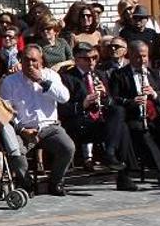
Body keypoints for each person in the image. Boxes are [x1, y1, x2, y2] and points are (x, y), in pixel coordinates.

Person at [58, 44, 138, 190]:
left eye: (95, 58)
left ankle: (111, 155)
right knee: (122, 128)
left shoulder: (100, 75)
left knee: (119, 115)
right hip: (79, 123)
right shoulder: (67, 78)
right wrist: (83, 104)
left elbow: (111, 103)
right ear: (76, 59)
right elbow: (62, 109)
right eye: (87, 59)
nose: (92, 62)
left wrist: (105, 96)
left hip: (98, 122)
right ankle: (121, 170)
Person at [107, 41, 160, 187]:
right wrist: (131, 101)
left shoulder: (152, 73)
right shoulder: (119, 75)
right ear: (129, 55)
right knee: (143, 135)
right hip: (134, 117)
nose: (142, 60)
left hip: (154, 116)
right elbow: (114, 99)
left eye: (145, 56)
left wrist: (154, 94)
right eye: (138, 57)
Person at [0, 47, 75, 195]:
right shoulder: (10, 81)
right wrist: (21, 129)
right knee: (16, 153)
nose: (30, 64)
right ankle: (26, 184)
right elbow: (5, 111)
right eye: (26, 60)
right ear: (21, 61)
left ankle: (55, 182)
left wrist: (41, 80)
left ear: (41, 60)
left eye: (34, 60)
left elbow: (64, 97)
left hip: (49, 128)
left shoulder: (51, 75)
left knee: (68, 148)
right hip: (23, 129)